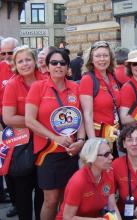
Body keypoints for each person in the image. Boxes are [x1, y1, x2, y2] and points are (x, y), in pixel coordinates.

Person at [25, 49, 86, 220]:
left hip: (70, 152)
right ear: (47, 66)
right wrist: (55, 138)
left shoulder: (75, 87)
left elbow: (79, 118)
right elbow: (30, 120)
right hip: (48, 153)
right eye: (54, 63)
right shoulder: (38, 87)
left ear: (68, 67)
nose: (58, 66)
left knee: (65, 198)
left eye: (62, 63)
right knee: (50, 200)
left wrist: (80, 141)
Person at [2, 45, 44, 220]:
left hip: (44, 144)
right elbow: (8, 118)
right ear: (15, 65)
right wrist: (35, 121)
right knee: (23, 194)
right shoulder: (12, 84)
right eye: (20, 61)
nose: (25, 64)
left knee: (43, 193)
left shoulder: (45, 81)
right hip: (21, 146)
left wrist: (33, 122)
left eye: (28, 59)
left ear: (35, 62)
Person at [56, 138, 121, 220]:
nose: (111, 157)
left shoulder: (109, 172)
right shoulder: (78, 181)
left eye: (110, 152)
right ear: (92, 157)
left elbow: (112, 207)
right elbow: (67, 217)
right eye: (106, 154)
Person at [80, 41, 121, 157]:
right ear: (91, 60)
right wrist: (94, 144)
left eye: (105, 55)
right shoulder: (88, 80)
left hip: (112, 135)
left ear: (111, 58)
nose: (102, 59)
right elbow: (87, 114)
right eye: (98, 56)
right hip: (97, 136)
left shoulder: (112, 77)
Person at [0, 37, 19, 218]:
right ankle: (15, 202)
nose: (6, 57)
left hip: (26, 124)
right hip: (5, 126)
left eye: (10, 53)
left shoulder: (24, 67)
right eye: (3, 53)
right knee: (9, 166)